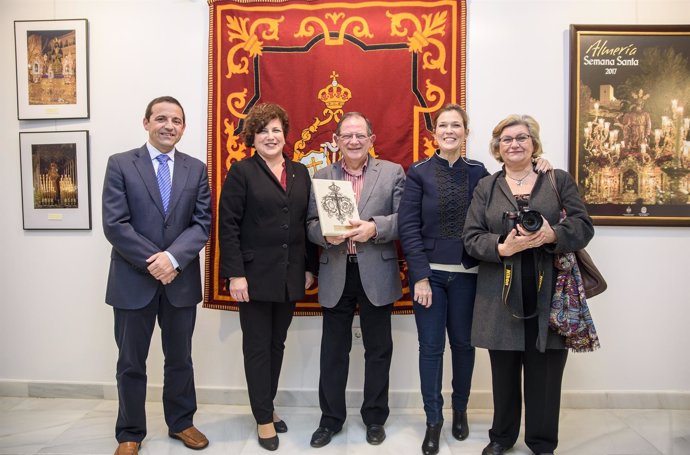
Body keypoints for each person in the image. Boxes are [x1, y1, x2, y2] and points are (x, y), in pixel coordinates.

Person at [398, 105, 551, 455]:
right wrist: (419, 276)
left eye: (457, 125)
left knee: (465, 347)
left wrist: (544, 164)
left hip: (471, 277)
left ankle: (460, 410)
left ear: (467, 133)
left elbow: (518, 182)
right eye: (443, 125)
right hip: (431, 279)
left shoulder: (481, 173)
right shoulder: (418, 172)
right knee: (431, 349)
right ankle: (433, 420)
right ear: (433, 133)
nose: (449, 131)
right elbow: (407, 227)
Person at [462, 114, 594, 455]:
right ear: (497, 148)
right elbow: (471, 238)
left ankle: (542, 441)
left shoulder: (556, 180)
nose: (515, 144)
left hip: (550, 293)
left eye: (522, 138)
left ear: (533, 144)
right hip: (500, 294)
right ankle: (502, 437)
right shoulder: (487, 187)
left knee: (546, 374)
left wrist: (553, 235)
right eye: (507, 140)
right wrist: (502, 247)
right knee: (503, 375)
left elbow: (583, 226)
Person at [102, 96, 212, 455]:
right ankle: (130, 433)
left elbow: (202, 224)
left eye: (177, 120)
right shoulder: (120, 164)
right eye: (161, 118)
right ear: (146, 122)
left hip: (179, 283)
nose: (169, 125)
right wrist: (156, 261)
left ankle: (181, 422)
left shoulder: (196, 169)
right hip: (133, 281)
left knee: (180, 358)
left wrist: (173, 259)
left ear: (184, 127)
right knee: (131, 362)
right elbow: (115, 224)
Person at [218, 102, 317, 451]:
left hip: (290, 276)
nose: (270, 137)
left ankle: (267, 404)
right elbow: (227, 226)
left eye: (276, 130)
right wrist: (235, 275)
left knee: (277, 345)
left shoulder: (301, 172)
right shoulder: (241, 172)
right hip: (253, 277)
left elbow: (307, 224)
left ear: (285, 134)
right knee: (257, 349)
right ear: (253, 138)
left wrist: (309, 267)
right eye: (263, 131)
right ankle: (262, 417)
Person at [306, 112, 405, 448]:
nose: (353, 141)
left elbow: (404, 218)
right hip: (337, 271)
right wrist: (324, 236)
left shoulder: (392, 173)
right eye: (346, 135)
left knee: (378, 350)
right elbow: (309, 224)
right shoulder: (321, 175)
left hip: (376, 271)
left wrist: (375, 227)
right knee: (333, 351)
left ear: (371, 139)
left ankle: (375, 418)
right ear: (335, 140)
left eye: (360, 135)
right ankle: (330, 420)